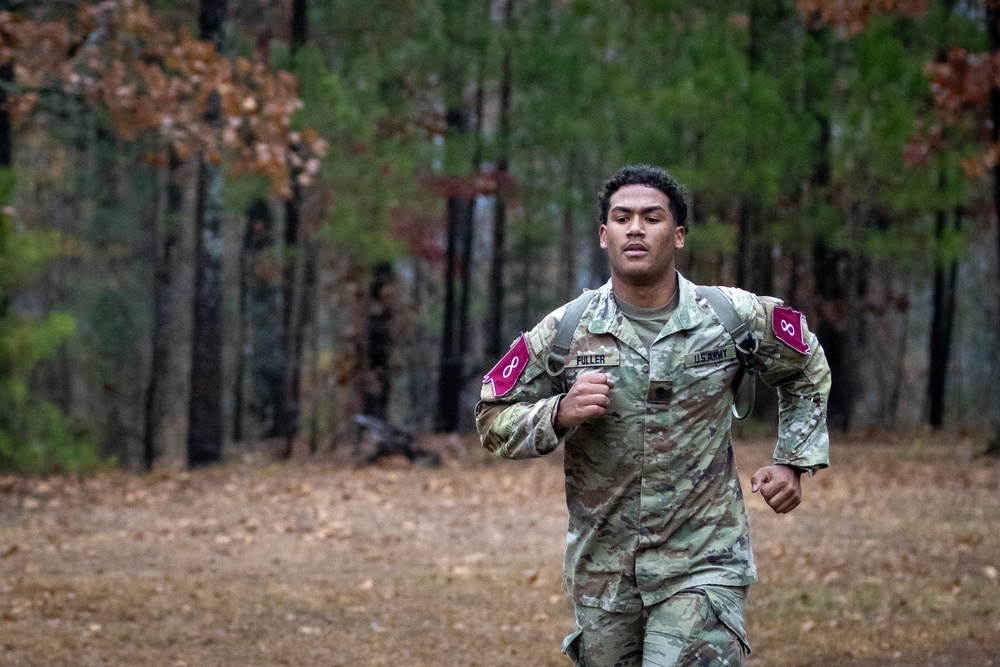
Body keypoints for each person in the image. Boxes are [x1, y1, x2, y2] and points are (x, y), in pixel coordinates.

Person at [475, 164, 831, 666]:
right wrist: (557, 413)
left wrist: (794, 459)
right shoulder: (566, 332)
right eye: (622, 218)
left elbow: (806, 363)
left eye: (652, 217)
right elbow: (491, 417)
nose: (636, 228)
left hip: (703, 562)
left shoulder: (732, 317)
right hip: (604, 572)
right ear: (604, 235)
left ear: (678, 234)